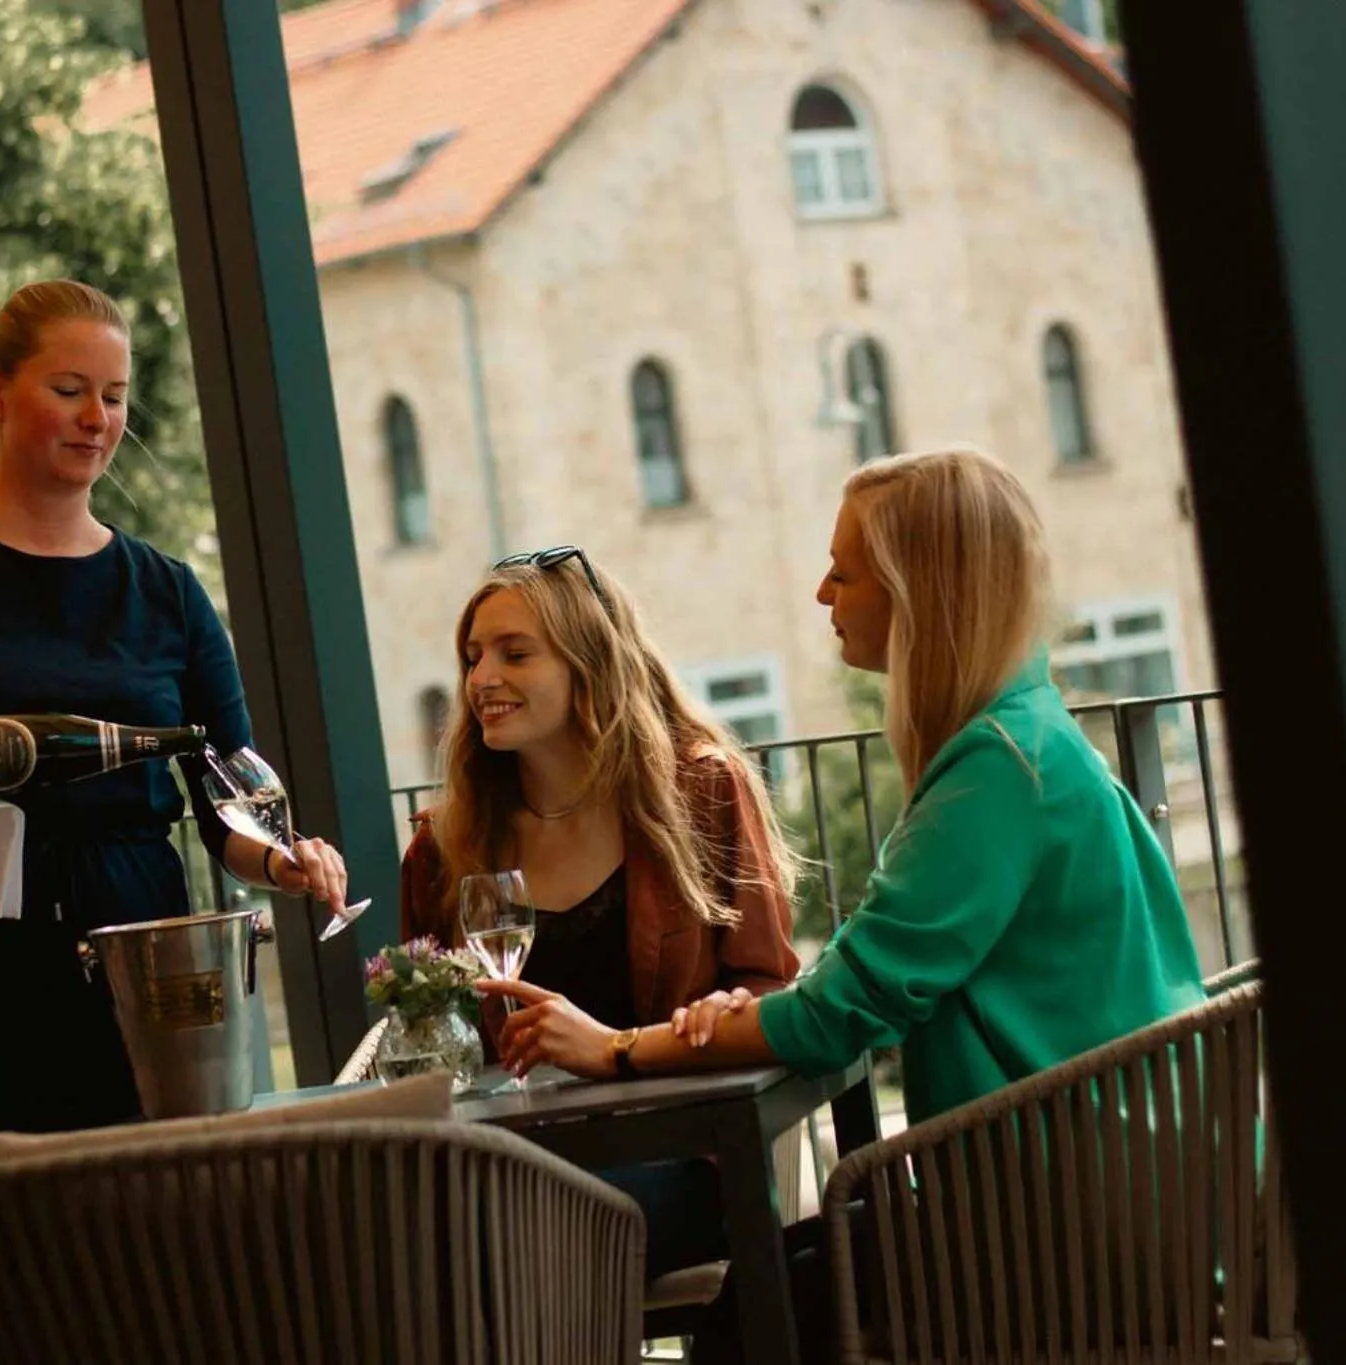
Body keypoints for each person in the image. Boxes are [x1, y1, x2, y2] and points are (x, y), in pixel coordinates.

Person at [481, 449, 1207, 1356]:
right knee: (772, 1290)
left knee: (760, 1318)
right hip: (1100, 1184)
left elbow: (841, 1011)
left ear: (917, 588)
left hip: (1061, 1219)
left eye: (845, 571)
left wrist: (616, 1048)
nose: (824, 592)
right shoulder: (1028, 740)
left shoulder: (997, 772)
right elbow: (856, 983)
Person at [0, 279, 352, 1178]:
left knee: (155, 1241)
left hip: (143, 966)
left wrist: (285, 858)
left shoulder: (168, 593)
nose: (97, 419)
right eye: (70, 390)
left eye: (114, 398)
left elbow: (227, 805)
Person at [399, 545, 802, 1275]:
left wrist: (670, 1030)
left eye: (516, 654)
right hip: (518, 1166)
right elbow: (433, 1042)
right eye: (473, 656)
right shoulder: (442, 850)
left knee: (497, 1250)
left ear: (588, 665)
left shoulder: (701, 794)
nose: (482, 678)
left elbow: (771, 989)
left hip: (684, 1157)